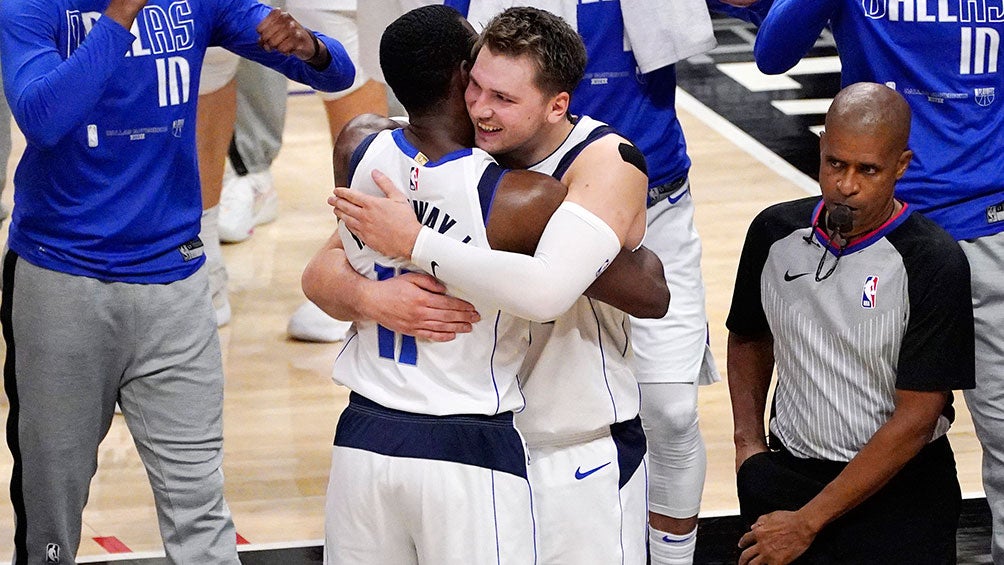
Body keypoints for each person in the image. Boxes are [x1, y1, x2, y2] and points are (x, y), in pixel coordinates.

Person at [306, 5, 667, 562]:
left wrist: (419, 245)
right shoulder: (451, 162)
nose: (481, 108)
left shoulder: (600, 162)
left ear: (556, 105)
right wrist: (371, 296)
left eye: (503, 98)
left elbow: (650, 292)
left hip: (567, 446)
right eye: (475, 87)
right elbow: (321, 272)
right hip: (478, 437)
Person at [0, 0, 354, 561]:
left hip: (176, 283)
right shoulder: (31, 6)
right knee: (50, 520)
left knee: (200, 511)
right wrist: (119, 17)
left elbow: (337, 72)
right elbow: (42, 118)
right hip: (59, 280)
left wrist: (308, 46)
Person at [748, 3, 1004, 559]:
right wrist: (748, 448)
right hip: (868, 228)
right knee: (853, 423)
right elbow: (773, 53)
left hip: (987, 224)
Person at [726, 83, 974, 564]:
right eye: (835, 163)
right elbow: (749, 335)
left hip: (900, 494)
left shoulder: (934, 261)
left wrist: (809, 521)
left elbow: (917, 418)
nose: (846, 184)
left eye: (869, 169)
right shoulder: (772, 233)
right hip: (788, 479)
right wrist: (748, 445)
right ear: (820, 149)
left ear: (901, 166)